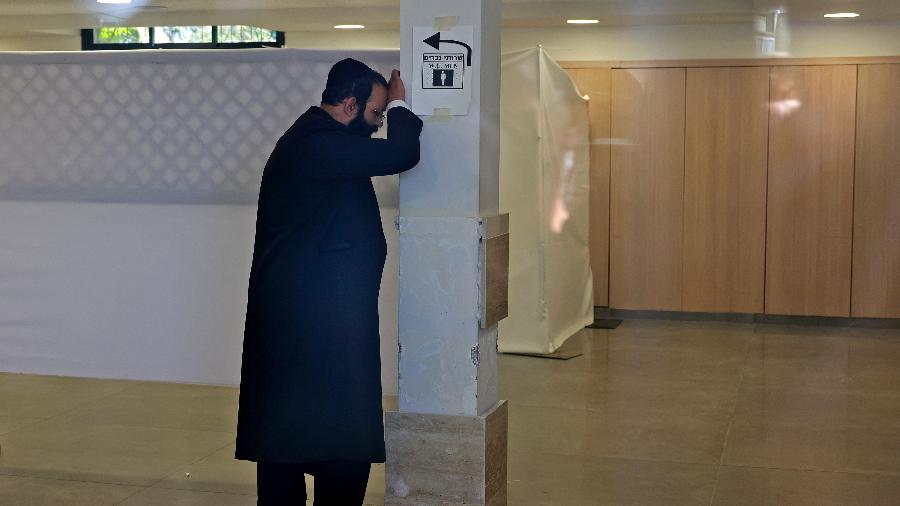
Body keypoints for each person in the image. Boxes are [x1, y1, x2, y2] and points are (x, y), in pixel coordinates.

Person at [235, 58, 423, 505]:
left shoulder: (319, 142)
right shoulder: (316, 144)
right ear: (349, 104)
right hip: (310, 327)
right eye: (375, 114)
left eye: (383, 115)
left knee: (300, 436)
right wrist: (399, 105)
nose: (378, 125)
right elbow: (402, 153)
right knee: (321, 437)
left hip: (313, 321)